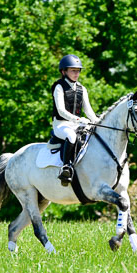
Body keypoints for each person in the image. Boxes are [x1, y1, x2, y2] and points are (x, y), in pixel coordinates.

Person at [51, 54, 99, 186]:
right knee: (72, 136)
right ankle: (65, 168)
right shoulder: (59, 87)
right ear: (63, 71)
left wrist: (97, 122)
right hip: (61, 125)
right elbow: (61, 110)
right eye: (73, 70)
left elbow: (89, 111)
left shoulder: (82, 89)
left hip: (77, 124)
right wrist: (78, 119)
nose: (76, 73)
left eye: (78, 71)